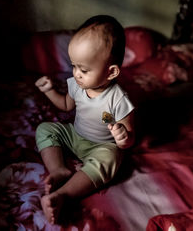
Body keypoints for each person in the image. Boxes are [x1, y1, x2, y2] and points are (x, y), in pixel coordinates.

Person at [35, 15, 135, 225]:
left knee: (111, 159)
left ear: (111, 72)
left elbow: (128, 140)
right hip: (76, 135)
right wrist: (50, 91)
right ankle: (58, 170)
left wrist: (122, 137)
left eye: (84, 69)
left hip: (102, 146)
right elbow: (65, 105)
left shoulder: (118, 99)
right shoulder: (76, 84)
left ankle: (64, 195)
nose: (76, 74)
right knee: (45, 128)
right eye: (74, 66)